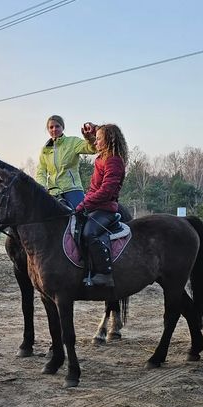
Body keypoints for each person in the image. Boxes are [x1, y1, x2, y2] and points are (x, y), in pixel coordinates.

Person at [75, 122, 128, 287]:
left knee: (89, 233)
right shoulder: (102, 158)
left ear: (109, 140)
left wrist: (84, 204)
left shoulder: (114, 161)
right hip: (95, 206)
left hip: (105, 209)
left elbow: (106, 191)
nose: (95, 142)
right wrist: (93, 128)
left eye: (98, 139)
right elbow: (98, 135)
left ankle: (105, 274)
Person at [36, 114, 93, 210]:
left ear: (63, 127)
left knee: (81, 214)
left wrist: (89, 138)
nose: (54, 129)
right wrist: (41, 187)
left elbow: (91, 149)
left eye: (57, 126)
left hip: (72, 189)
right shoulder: (45, 150)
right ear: (48, 130)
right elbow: (41, 171)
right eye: (51, 127)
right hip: (53, 192)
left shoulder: (73, 142)